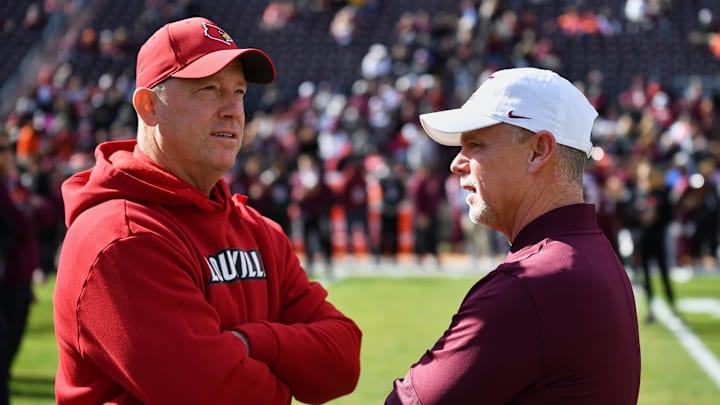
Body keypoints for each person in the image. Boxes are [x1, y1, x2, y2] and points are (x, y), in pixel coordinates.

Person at [53, 17, 361, 404]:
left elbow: (342, 362)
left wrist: (252, 341)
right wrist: (286, 377)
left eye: (240, 92)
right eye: (209, 90)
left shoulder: (257, 229)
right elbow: (221, 396)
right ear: (149, 106)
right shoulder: (120, 237)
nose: (233, 109)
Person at [386, 67, 640, 404]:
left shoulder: (532, 284)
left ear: (538, 151)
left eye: (475, 144)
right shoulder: (589, 252)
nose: (457, 163)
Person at [0, 130, 40, 405]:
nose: (7, 153)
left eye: (8, 147)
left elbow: (44, 212)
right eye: (2, 148)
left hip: (19, 276)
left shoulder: (12, 182)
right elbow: (22, 221)